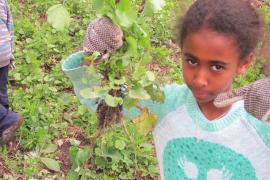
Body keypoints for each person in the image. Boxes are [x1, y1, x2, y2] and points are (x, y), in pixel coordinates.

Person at [63, 0, 270, 179]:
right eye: (191, 61)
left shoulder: (261, 120)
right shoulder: (164, 106)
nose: (199, 79)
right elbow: (102, 100)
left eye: (217, 67)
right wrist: (93, 56)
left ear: (244, 62)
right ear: (181, 51)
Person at [0, 0, 23, 145]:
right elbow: (10, 26)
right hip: (4, 51)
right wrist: (9, 54)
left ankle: (7, 121)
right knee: (1, 91)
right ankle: (4, 131)